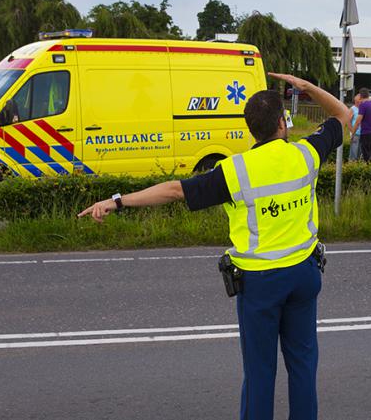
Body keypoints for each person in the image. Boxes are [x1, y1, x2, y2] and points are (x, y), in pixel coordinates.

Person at [78, 72, 350, 420]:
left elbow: (176, 190)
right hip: (304, 275)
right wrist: (308, 88)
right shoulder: (306, 154)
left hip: (261, 284)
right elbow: (344, 116)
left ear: (251, 129)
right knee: (303, 365)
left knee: (260, 373)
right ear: (283, 122)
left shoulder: (235, 172)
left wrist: (117, 201)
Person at [350, 87, 371, 162]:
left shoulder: (363, 105)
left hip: (365, 133)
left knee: (366, 157)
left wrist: (352, 134)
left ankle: (368, 171)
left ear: (360, 96)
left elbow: (358, 122)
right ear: (368, 95)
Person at [348, 95, 362, 161]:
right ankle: (352, 164)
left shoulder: (362, 108)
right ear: (356, 101)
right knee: (354, 151)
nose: (361, 102)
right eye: (359, 101)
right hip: (355, 133)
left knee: (360, 151)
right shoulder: (352, 109)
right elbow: (348, 121)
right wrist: (352, 131)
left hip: (362, 133)